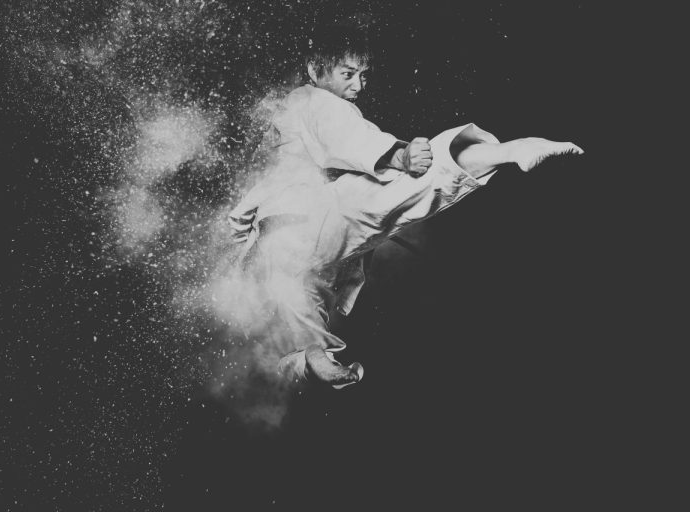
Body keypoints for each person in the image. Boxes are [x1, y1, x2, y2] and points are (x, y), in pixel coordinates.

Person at [228, 27, 583, 389]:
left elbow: (255, 208)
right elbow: (344, 135)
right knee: (403, 189)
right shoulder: (312, 100)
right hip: (304, 219)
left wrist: (242, 251)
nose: (358, 85)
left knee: (296, 303)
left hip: (283, 242)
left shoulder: (287, 119)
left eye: (363, 76)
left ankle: (313, 355)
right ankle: (508, 151)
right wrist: (399, 156)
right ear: (314, 70)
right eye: (347, 74)